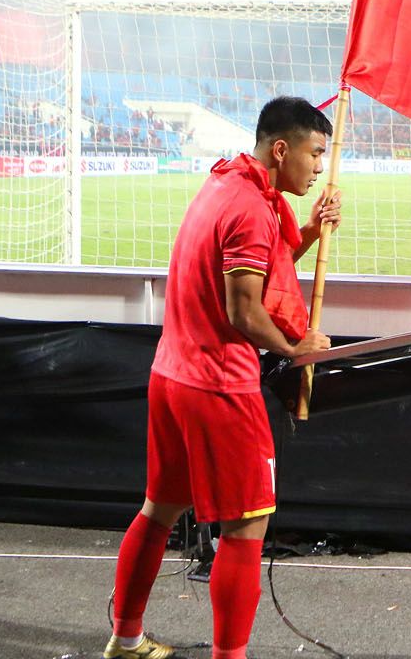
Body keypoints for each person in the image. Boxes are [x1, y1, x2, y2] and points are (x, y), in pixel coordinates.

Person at [106, 97, 338, 659]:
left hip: (172, 375)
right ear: (281, 149)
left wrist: (305, 234)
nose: (318, 167)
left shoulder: (225, 185)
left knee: (159, 508)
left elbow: (259, 265)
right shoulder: (253, 209)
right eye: (314, 153)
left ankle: (126, 637)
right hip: (218, 386)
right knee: (246, 527)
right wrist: (294, 349)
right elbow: (244, 310)